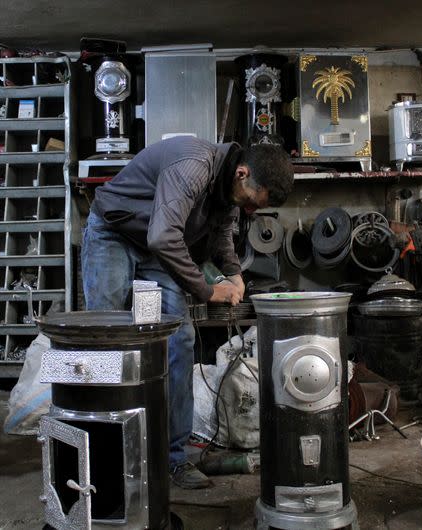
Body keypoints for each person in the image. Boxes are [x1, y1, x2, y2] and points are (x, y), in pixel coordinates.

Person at [81, 135, 293, 489]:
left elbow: (223, 229)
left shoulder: (230, 188)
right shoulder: (193, 166)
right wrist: (209, 290)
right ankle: (104, 456)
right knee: (108, 339)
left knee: (179, 341)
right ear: (242, 173)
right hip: (114, 234)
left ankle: (173, 459)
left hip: (157, 250)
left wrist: (235, 274)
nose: (251, 211)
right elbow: (163, 237)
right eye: (253, 203)